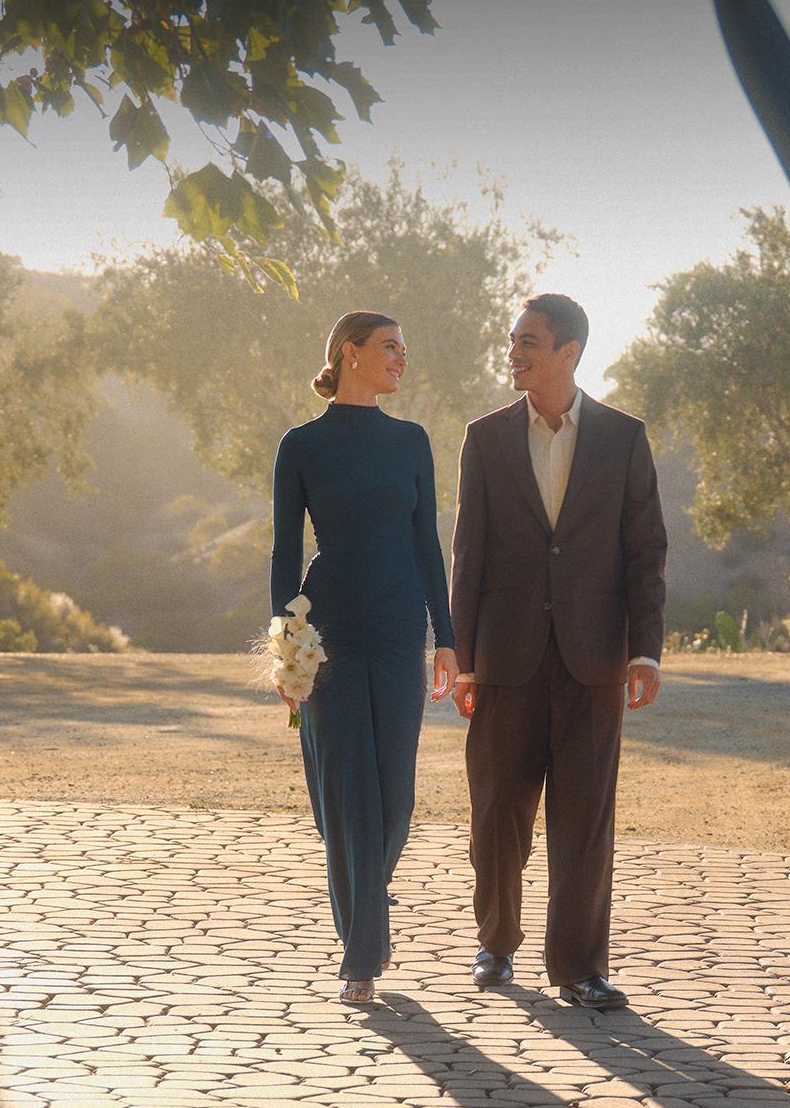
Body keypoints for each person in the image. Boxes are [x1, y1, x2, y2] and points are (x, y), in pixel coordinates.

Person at [449, 293, 667, 1010]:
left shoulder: (624, 437)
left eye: (530, 342)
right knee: (497, 814)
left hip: (595, 660)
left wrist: (646, 651)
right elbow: (468, 555)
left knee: (585, 820)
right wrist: (463, 655)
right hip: (506, 659)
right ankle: (496, 943)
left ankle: (578, 967)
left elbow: (644, 553)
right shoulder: (484, 439)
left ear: (569, 351)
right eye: (513, 340)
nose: (515, 352)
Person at [271, 311, 459, 1005]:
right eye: (389, 348)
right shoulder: (301, 445)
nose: (401, 359)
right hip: (334, 635)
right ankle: (363, 958)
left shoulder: (411, 441)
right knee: (347, 800)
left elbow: (426, 545)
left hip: (399, 627)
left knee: (394, 798)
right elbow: (285, 554)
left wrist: (447, 637)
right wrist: (287, 654)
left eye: (405, 350)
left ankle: (361, 912)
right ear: (350, 355)